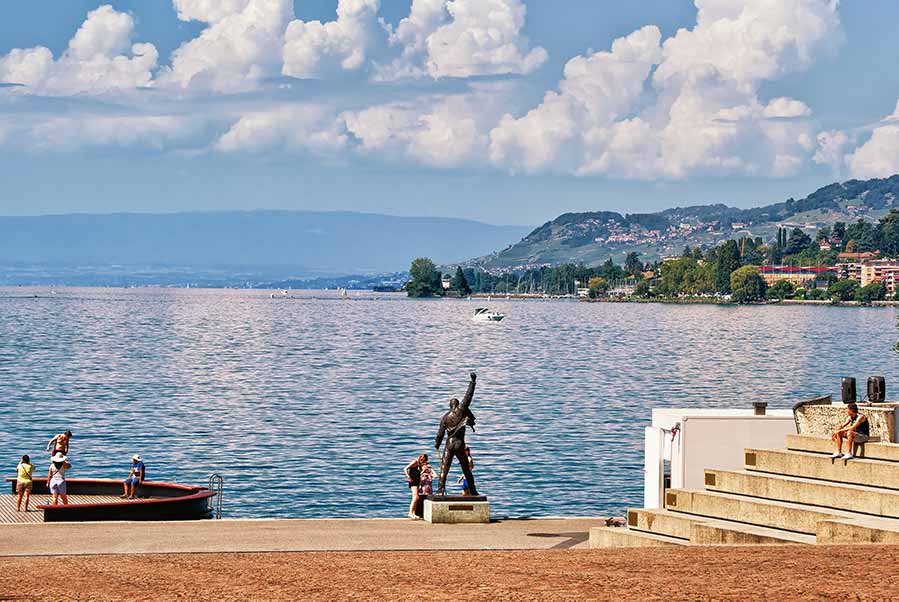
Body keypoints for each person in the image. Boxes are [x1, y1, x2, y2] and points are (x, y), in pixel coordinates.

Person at [435, 372, 478, 496]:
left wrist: (437, 444)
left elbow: (440, 434)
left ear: (450, 406)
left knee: (444, 468)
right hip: (459, 443)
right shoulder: (460, 411)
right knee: (466, 469)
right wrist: (473, 382)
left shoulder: (444, 418)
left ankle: (439, 490)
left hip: (449, 443)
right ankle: (473, 491)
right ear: (457, 405)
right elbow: (468, 397)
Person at [404, 454, 425, 519]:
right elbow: (405, 468)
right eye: (422, 460)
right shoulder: (414, 462)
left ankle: (413, 513)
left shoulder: (419, 464)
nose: (423, 462)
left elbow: (417, 473)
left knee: (417, 497)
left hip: (417, 481)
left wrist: (423, 471)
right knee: (415, 497)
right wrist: (408, 476)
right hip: (413, 481)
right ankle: (410, 512)